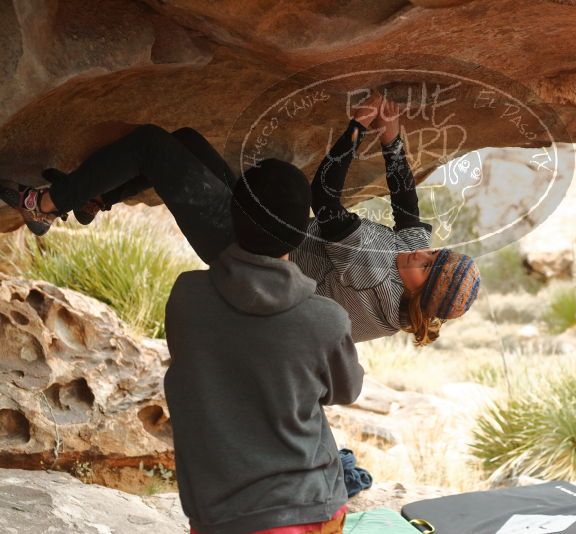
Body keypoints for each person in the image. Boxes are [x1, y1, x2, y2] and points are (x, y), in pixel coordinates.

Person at [3, 92, 480, 345]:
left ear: (417, 291)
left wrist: (357, 127)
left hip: (247, 253)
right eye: (433, 252)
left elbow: (324, 195)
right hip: (267, 229)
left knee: (151, 143)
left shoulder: (372, 274)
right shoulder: (407, 263)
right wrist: (393, 137)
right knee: (185, 141)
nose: (419, 250)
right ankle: (93, 200)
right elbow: (406, 205)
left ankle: (43, 206)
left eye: (425, 264)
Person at [163, 160, 364, 533]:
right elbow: (347, 389)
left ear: (233, 218)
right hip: (306, 509)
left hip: (216, 514)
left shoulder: (186, 296)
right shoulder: (324, 318)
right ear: (302, 233)